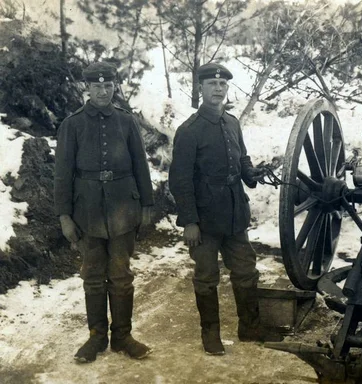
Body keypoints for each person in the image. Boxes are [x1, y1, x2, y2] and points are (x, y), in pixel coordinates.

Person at [168, 62, 282, 356]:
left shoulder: (232, 122)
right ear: (200, 89)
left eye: (222, 85)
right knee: (206, 276)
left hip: (234, 214)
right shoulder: (189, 131)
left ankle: (250, 327)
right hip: (205, 218)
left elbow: (241, 158)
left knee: (245, 270)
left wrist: (251, 173)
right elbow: (180, 181)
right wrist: (189, 222)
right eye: (211, 85)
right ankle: (211, 334)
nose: (218, 90)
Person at [54, 62, 154, 363]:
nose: (103, 90)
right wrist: (64, 215)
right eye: (97, 86)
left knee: (122, 275)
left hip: (123, 209)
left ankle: (122, 336)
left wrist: (147, 204)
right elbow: (62, 174)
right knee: (93, 276)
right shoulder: (72, 125)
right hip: (87, 212)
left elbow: (140, 164)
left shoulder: (126, 122)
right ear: (88, 88)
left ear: (114, 86)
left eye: (108, 85)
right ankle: (97, 337)